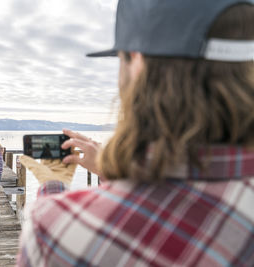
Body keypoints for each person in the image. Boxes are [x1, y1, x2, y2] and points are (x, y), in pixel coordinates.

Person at [17, 0, 254, 266]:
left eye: (121, 59)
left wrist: (53, 184)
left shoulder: (55, 229)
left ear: (137, 63)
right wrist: (114, 172)